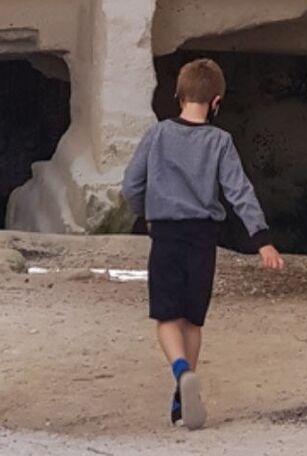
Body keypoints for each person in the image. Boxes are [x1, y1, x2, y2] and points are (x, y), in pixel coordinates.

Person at [122, 58, 285, 430]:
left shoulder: (158, 134)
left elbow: (132, 184)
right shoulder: (220, 141)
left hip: (166, 233)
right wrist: (262, 241)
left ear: (178, 95)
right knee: (193, 320)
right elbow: (239, 191)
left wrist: (145, 211)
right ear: (216, 102)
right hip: (203, 238)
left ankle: (180, 372)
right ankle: (182, 400)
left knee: (166, 316)